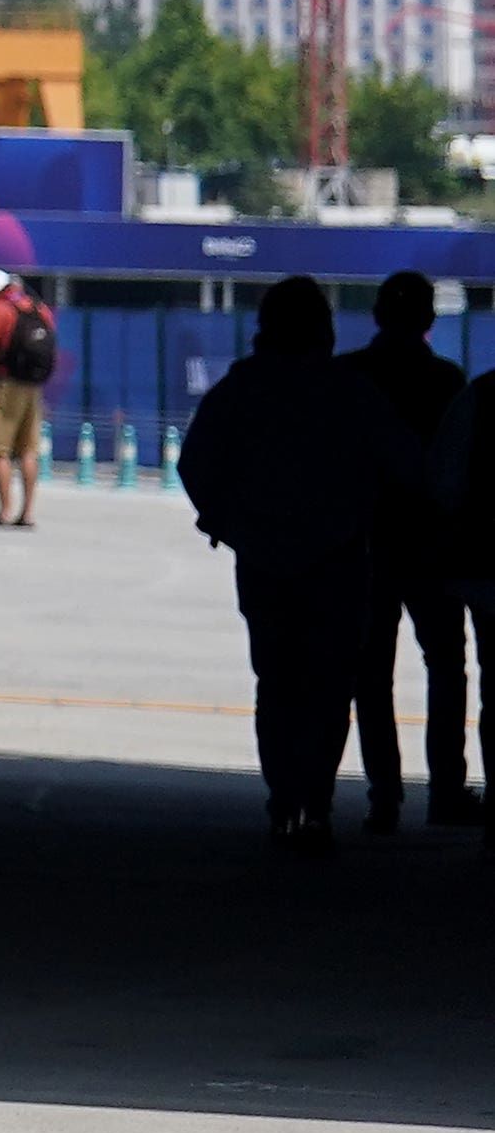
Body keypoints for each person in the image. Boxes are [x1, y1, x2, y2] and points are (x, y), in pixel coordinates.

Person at [184, 275, 381, 855]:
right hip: (339, 561)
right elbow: (403, 463)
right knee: (329, 689)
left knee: (277, 685)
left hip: (265, 558)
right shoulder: (349, 389)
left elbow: (195, 463)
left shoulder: (243, 387)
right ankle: (317, 803)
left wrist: (224, 523)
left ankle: (284, 801)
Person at [351, 270, 475, 830]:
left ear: (377, 314)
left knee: (370, 674)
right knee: (447, 666)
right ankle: (446, 791)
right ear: (428, 319)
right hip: (431, 546)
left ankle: (384, 796)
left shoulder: (349, 377)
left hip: (365, 545)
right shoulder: (448, 382)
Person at [0, 269, 56, 530]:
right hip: (33, 387)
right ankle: (27, 513)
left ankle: (5, 511)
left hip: (6, 385)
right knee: (28, 450)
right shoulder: (39, 309)